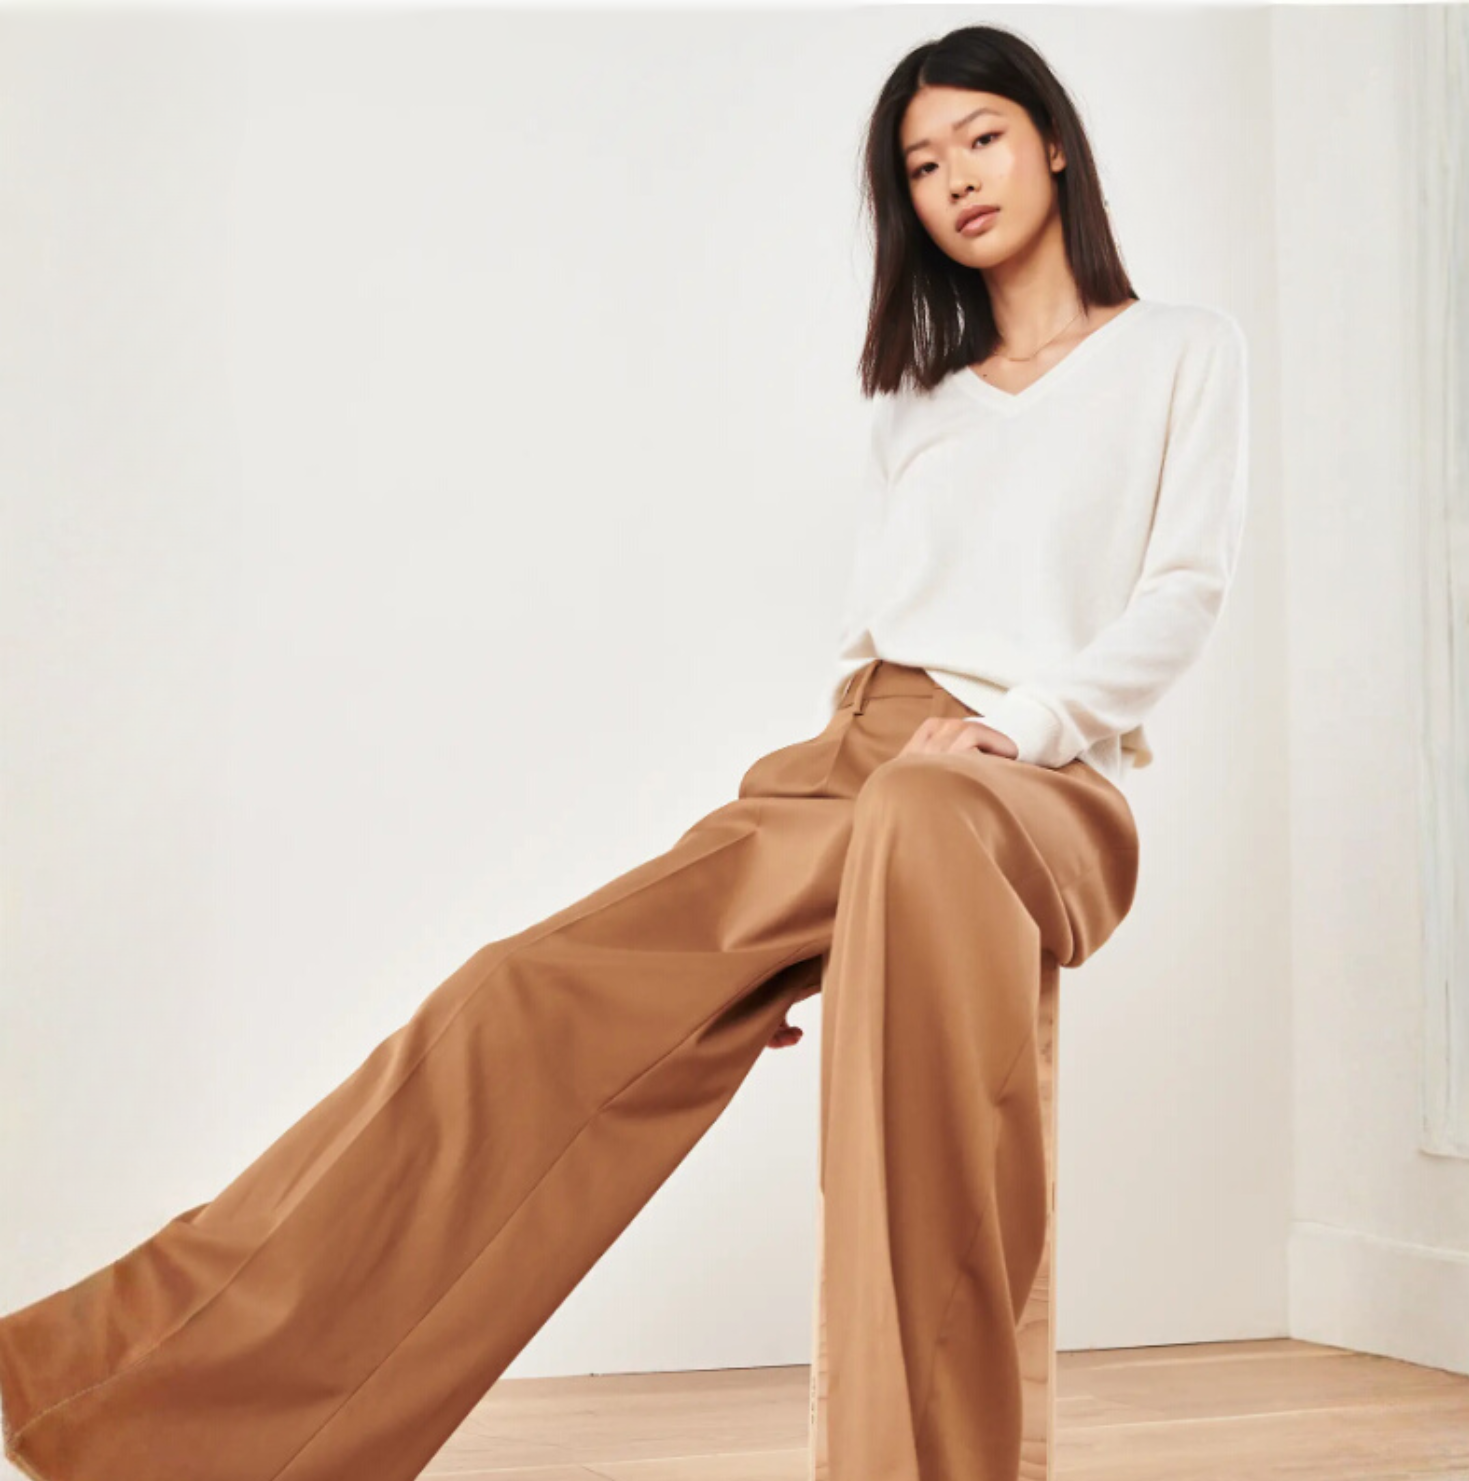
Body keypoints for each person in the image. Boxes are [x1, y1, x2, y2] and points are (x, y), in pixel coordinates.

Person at [0, 21, 1248, 1481]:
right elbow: (881, 653)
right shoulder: (917, 397)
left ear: (1051, 141)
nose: (954, 178)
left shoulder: (1178, 348)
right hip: (858, 767)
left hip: (1037, 780)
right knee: (520, 998)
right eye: (919, 165)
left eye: (978, 137)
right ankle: (141, 1402)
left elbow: (1185, 592)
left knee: (917, 887)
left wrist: (1027, 725)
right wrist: (774, 910)